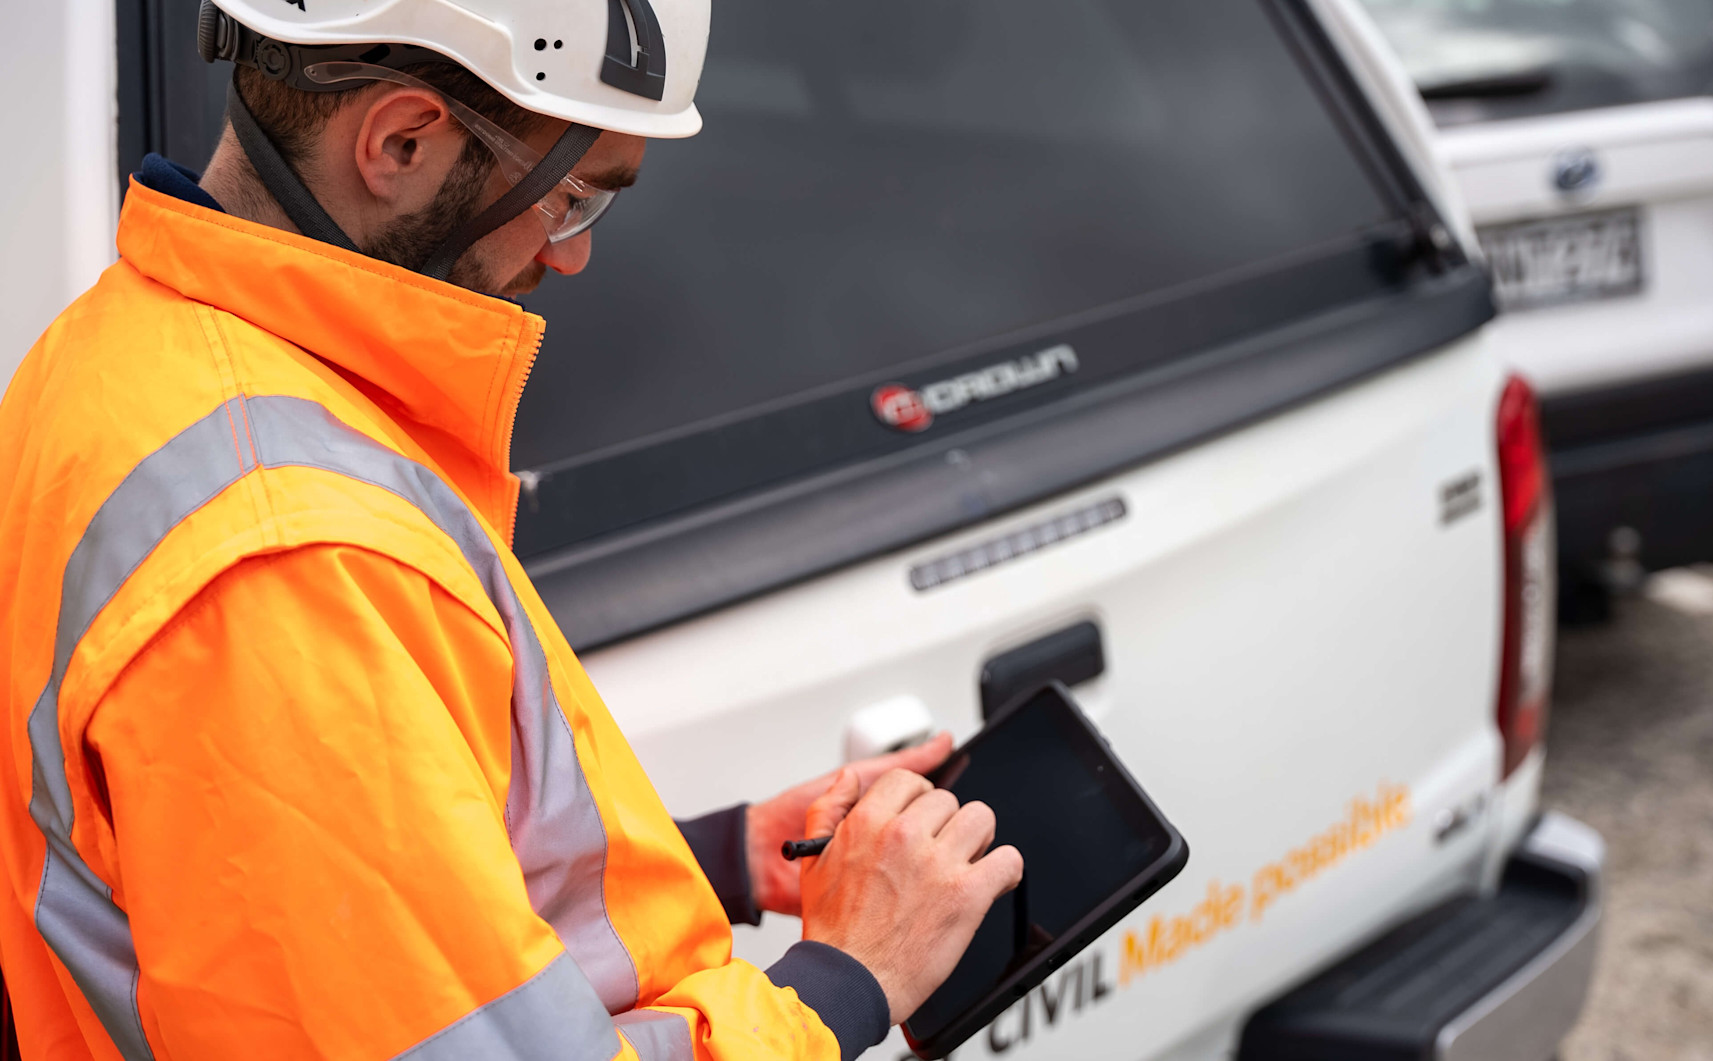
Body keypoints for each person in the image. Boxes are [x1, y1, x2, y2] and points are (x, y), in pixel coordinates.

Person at [0, 1, 1023, 1059]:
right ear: (401, 141)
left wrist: (727, 852)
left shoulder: (115, 354)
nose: (570, 258)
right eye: (572, 196)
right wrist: (844, 978)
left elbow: (352, 922)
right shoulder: (289, 565)